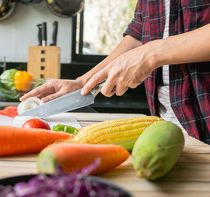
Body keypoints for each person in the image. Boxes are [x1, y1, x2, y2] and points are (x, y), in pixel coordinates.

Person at [21, 0, 210, 145]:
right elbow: (138, 34)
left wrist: (151, 53)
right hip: (170, 134)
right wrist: (84, 82)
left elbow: (145, 48)